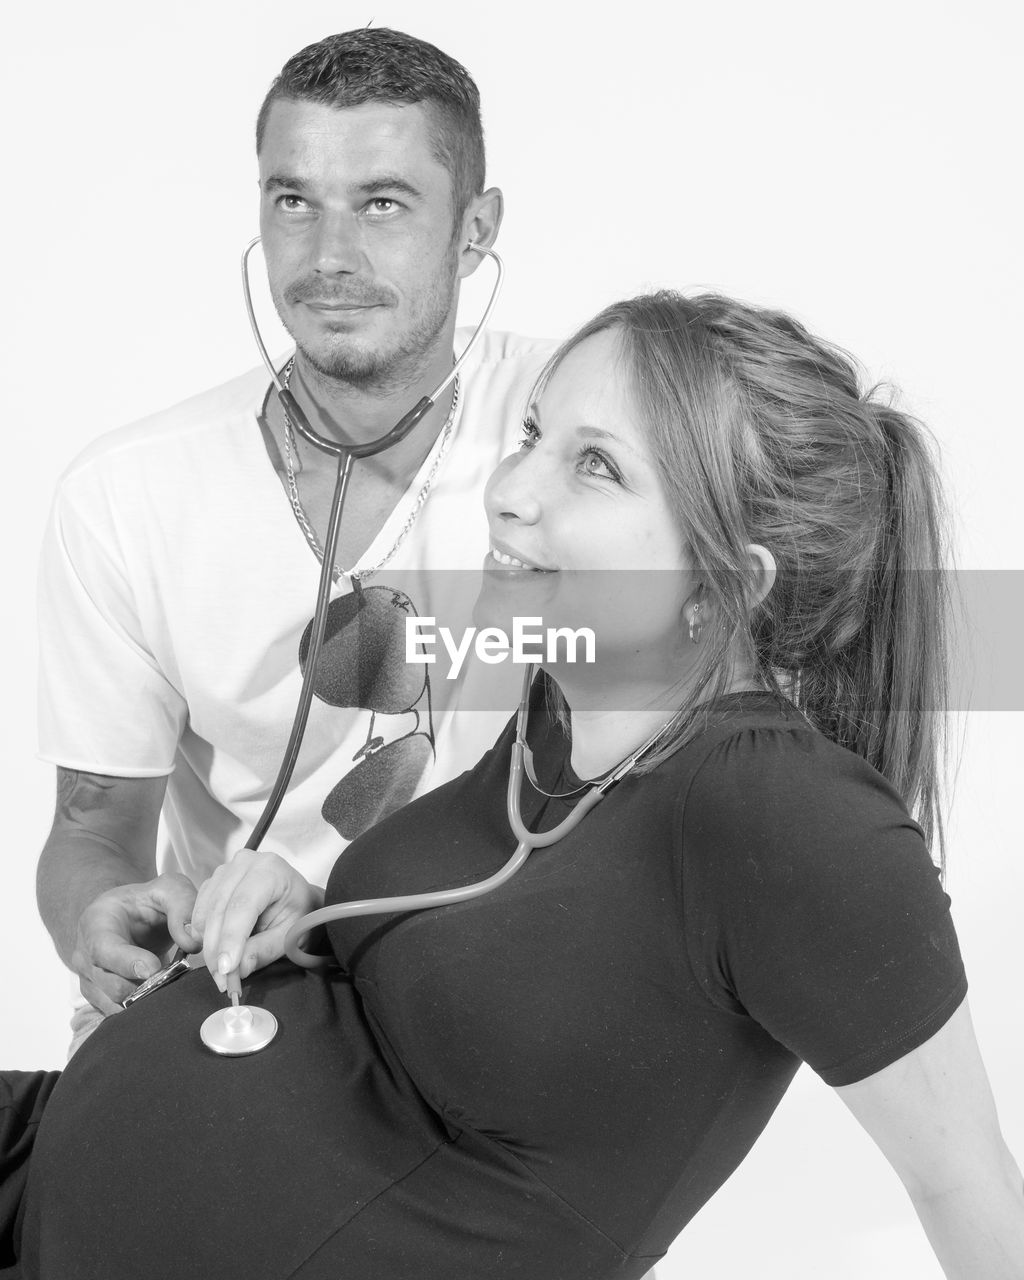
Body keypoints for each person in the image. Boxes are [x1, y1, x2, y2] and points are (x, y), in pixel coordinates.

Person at [7, 291, 1023, 1278]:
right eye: (534, 429)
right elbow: (502, 979)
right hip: (48, 1157)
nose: (510, 486)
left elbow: (964, 1187)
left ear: (726, 584)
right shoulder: (561, 703)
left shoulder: (788, 814)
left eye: (594, 465)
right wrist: (311, 913)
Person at [34, 28, 554, 1047]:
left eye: (383, 203)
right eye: (292, 201)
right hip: (257, 1000)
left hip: (514, 992)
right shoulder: (128, 494)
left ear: (475, 227)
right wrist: (99, 917)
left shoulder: (577, 429)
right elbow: (93, 828)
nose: (328, 258)